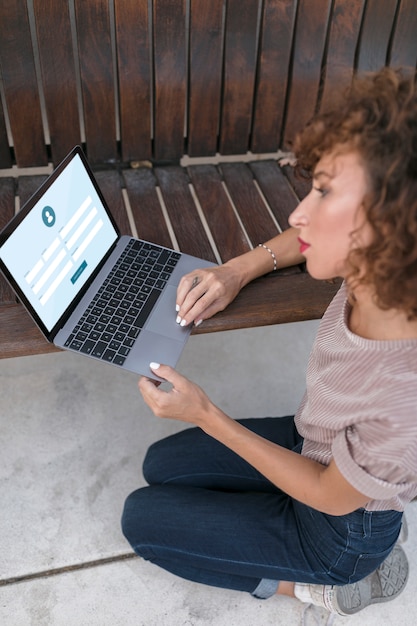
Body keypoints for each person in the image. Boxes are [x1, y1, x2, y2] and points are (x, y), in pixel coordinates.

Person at [121, 67, 417, 616]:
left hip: (341, 532)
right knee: (164, 466)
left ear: (390, 225)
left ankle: (322, 586)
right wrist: (237, 269)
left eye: (324, 192)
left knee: (142, 521)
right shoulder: (382, 272)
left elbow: (330, 495)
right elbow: (307, 240)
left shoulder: (406, 398)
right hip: (317, 442)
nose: (297, 212)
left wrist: (207, 413)